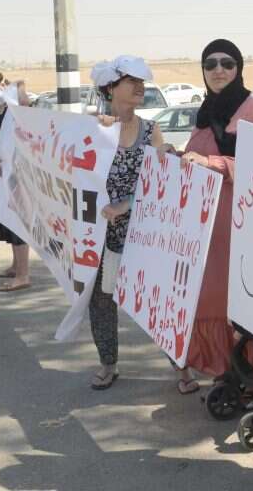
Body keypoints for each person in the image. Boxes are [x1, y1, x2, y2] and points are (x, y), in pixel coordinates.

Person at [175, 39, 253, 395]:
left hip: (244, 227)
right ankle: (224, 370)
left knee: (244, 304)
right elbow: (195, 158)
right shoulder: (204, 114)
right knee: (214, 301)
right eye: (210, 64)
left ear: (239, 68)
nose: (218, 70)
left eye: (227, 63)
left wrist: (213, 163)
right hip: (210, 232)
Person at [89, 55, 168, 389]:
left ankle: (181, 367)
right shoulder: (91, 130)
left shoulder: (151, 131)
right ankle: (108, 364)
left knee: (162, 300)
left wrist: (128, 205)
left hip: (144, 232)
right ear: (110, 87)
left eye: (142, 81)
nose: (140, 87)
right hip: (102, 236)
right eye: (131, 81)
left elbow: (162, 184)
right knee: (101, 302)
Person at [0, 70, 32, 292]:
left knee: (18, 220)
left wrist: (18, 86)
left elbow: (26, 106)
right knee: (6, 219)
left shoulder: (14, 104)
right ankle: (15, 266)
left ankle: (23, 275)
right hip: (0, 171)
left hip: (17, 172)